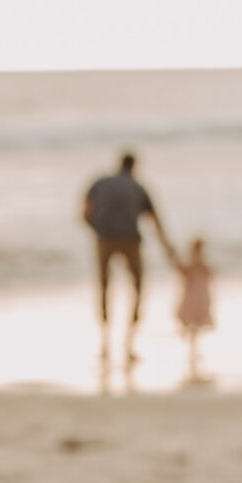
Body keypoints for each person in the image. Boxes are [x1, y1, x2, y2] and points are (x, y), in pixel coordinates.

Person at [81, 150, 175, 371]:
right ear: (134, 166)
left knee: (104, 287)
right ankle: (130, 343)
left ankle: (104, 342)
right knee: (137, 287)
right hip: (131, 240)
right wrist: (169, 250)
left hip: (104, 239)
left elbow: (84, 213)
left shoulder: (100, 182)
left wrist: (98, 230)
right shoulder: (138, 186)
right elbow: (155, 220)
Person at [171, 235, 216, 384]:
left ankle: (193, 350)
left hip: (198, 300)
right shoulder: (195, 265)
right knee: (192, 326)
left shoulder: (199, 265)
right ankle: (193, 350)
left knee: (194, 327)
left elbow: (210, 275)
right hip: (195, 300)